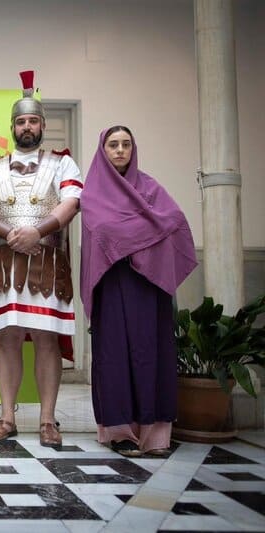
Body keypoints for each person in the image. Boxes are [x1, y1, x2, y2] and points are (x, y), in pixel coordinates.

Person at [0, 71, 82, 447]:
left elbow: (72, 202)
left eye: (33, 120)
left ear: (43, 125)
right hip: (4, 264)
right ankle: (6, 418)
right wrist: (9, 233)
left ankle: (48, 421)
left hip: (47, 265)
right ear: (13, 127)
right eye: (21, 121)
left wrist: (39, 229)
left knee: (48, 339)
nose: (27, 126)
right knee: (10, 338)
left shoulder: (63, 163)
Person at [81, 126, 197, 457]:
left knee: (151, 353)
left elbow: (174, 222)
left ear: (134, 149)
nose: (120, 150)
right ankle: (120, 432)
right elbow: (104, 232)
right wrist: (142, 233)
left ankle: (155, 434)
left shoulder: (151, 189)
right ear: (102, 150)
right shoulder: (91, 194)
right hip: (112, 282)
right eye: (113, 145)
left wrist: (133, 238)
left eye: (126, 144)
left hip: (150, 284)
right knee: (114, 355)